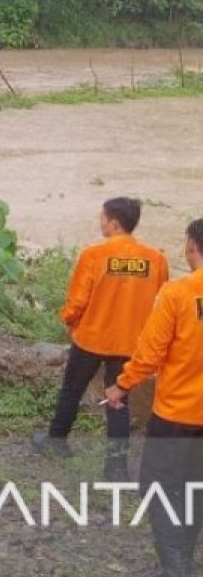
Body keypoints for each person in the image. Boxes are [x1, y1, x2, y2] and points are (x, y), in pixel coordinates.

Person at [33, 198, 168, 479]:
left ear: (114, 223)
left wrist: (68, 320)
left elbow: (77, 300)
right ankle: (116, 468)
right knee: (117, 401)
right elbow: (161, 298)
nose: (101, 222)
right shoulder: (155, 258)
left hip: (91, 339)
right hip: (130, 342)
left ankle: (56, 440)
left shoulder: (94, 255)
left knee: (72, 389)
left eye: (103, 218)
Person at [106, 219, 203, 577]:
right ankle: (183, 562)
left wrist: (120, 386)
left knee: (158, 487)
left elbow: (149, 355)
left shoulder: (178, 294)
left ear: (192, 245)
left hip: (177, 415)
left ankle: (175, 572)